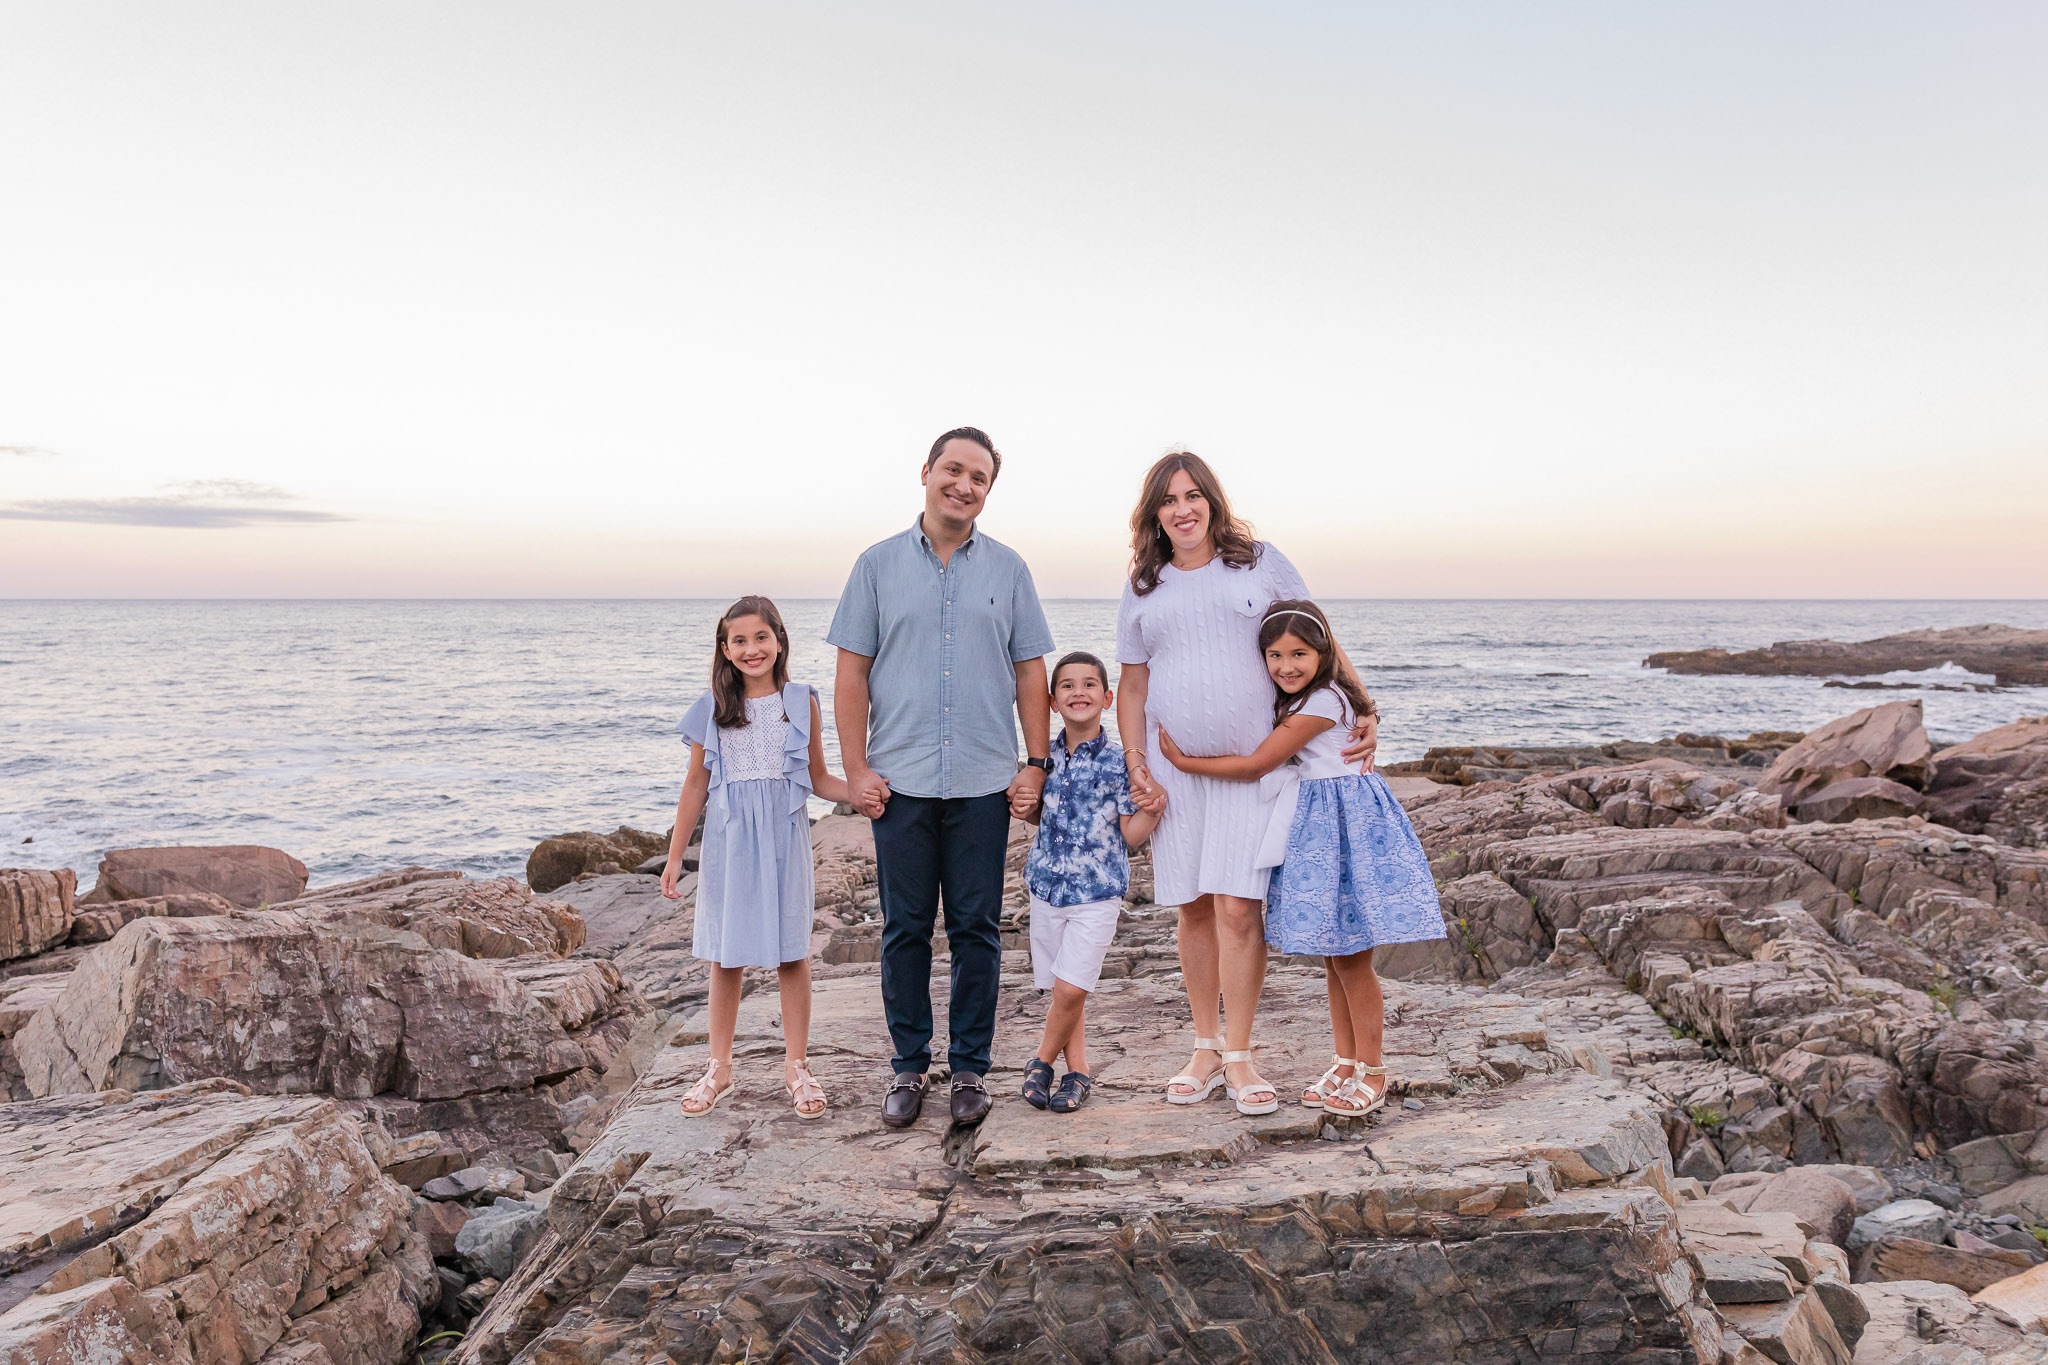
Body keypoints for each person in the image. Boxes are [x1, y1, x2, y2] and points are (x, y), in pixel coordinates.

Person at [1114, 452, 1377, 1115]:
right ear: (1154, 513)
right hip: (1174, 771)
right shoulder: (1145, 585)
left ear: (1213, 501)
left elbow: (1317, 634)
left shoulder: (1257, 560)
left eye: (1194, 494)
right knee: (1193, 906)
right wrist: (1135, 759)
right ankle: (1203, 1046)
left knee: (1238, 906)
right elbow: (1134, 682)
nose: (1184, 508)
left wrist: (1364, 707)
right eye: (1170, 499)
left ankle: (1239, 1052)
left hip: (1252, 767)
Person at [829, 426, 1055, 1128]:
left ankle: (969, 1070)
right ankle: (907, 1066)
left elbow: (1030, 674)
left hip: (985, 782)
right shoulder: (876, 565)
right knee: (903, 929)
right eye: (953, 470)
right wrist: (856, 768)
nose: (964, 484)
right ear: (927, 472)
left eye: (979, 477)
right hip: (900, 783)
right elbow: (851, 674)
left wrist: (1036, 764)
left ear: (989, 489)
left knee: (977, 929)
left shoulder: (1010, 570)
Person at [1157, 600, 1445, 1118]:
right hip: (1321, 828)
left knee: (1354, 958)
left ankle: (1373, 1070)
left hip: (1345, 828)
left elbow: (1257, 764)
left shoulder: (1327, 701)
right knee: (1336, 955)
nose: (1286, 666)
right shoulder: (1306, 697)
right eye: (1274, 655)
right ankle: (1345, 1060)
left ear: (1323, 653)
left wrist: (1182, 762)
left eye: (1299, 653)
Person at [659, 595, 852, 1120]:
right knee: (726, 954)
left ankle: (797, 1066)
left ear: (779, 640)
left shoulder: (800, 700)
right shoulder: (713, 708)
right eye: (739, 640)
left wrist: (864, 792)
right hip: (728, 840)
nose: (751, 649)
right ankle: (718, 1067)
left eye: (760, 637)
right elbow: (696, 784)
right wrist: (676, 857)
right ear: (724, 648)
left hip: (784, 837)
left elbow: (818, 778)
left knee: (792, 951)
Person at [1017, 652, 1166, 1113]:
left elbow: (1130, 836)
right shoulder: (1045, 761)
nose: (1077, 692)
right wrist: (1026, 805)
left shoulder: (1121, 763)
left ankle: (1041, 1061)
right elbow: (1039, 813)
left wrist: (1153, 810)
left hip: (1097, 892)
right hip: (1046, 887)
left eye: (1088, 685)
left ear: (1107, 698)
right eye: (1066, 685)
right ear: (1052, 700)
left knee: (1072, 988)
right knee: (1064, 986)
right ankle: (1077, 1074)